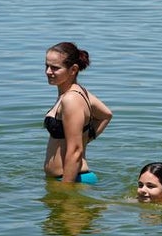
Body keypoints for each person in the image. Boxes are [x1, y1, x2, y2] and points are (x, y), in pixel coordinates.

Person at [44, 42, 113, 184]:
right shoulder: (78, 92)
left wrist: (66, 191)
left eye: (55, 68)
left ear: (73, 69)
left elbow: (75, 151)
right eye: (47, 66)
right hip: (69, 179)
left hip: (71, 181)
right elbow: (106, 115)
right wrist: (85, 138)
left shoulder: (71, 99)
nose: (48, 72)